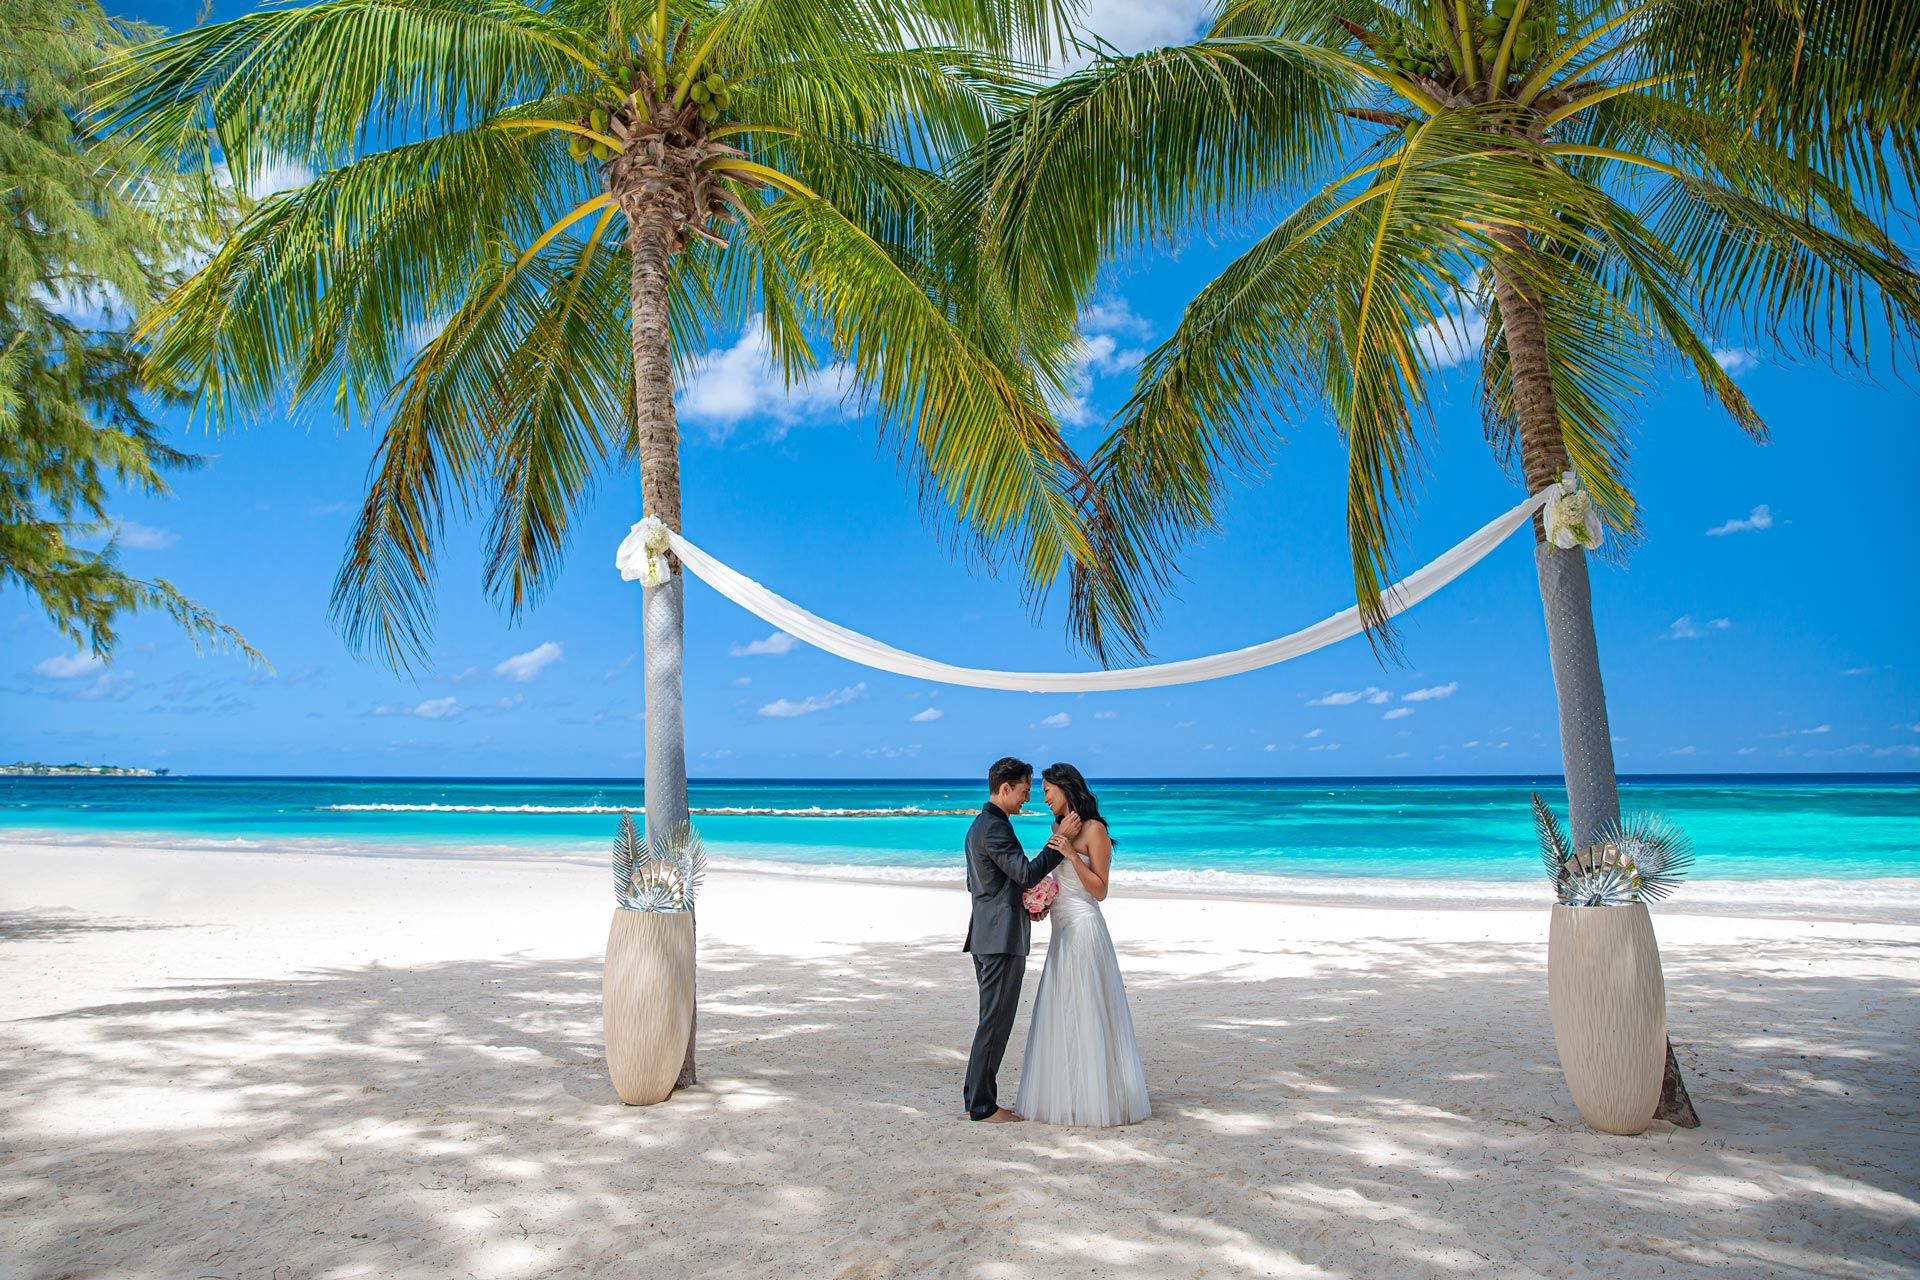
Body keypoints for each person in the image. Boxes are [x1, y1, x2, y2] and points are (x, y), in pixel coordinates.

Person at [1013, 762, 1150, 1126]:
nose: (1043, 798)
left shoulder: (1095, 830)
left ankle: (1101, 1097)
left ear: (1066, 789)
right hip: (1061, 929)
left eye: (1047, 790)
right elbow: (1052, 876)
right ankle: (1070, 1092)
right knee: (1063, 1010)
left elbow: (1100, 890)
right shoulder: (1055, 827)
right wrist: (1042, 899)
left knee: (1089, 1008)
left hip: (1086, 928)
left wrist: (1072, 855)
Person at [961, 756, 1062, 1123]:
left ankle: (978, 1100)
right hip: (999, 938)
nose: (1026, 799)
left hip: (988, 933)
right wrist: (1058, 844)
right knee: (995, 1022)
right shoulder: (995, 827)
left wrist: (1027, 902)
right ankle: (983, 1107)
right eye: (1022, 791)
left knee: (992, 1019)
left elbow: (987, 884)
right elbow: (1023, 872)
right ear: (1005, 788)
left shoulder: (980, 825)